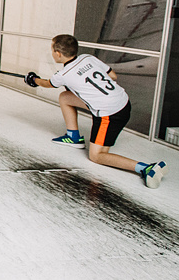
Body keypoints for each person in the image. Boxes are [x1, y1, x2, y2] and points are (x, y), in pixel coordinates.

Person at [25, 34, 167, 188]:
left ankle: (146, 168)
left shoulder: (64, 75)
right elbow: (113, 76)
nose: (52, 53)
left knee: (97, 155)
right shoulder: (88, 58)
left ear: (58, 54)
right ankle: (73, 137)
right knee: (65, 97)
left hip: (110, 115)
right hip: (123, 102)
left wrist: (32, 79)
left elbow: (46, 84)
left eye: (52, 50)